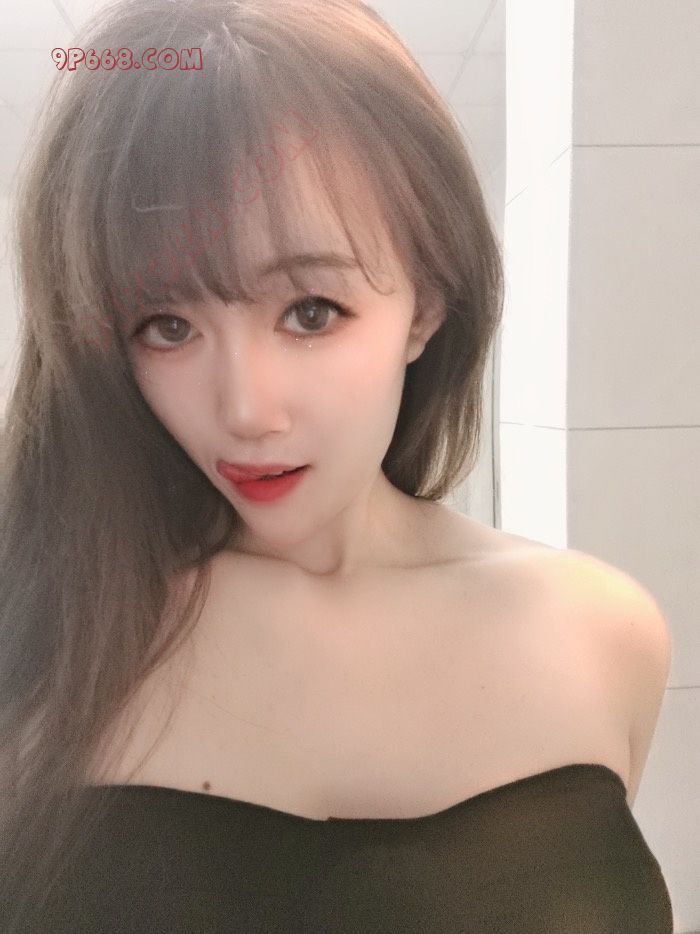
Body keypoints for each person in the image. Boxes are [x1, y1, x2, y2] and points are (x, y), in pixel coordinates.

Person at [0, 0, 673, 930]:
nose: (246, 410)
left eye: (310, 311)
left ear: (426, 303)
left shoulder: (601, 633)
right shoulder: (41, 628)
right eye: (167, 325)